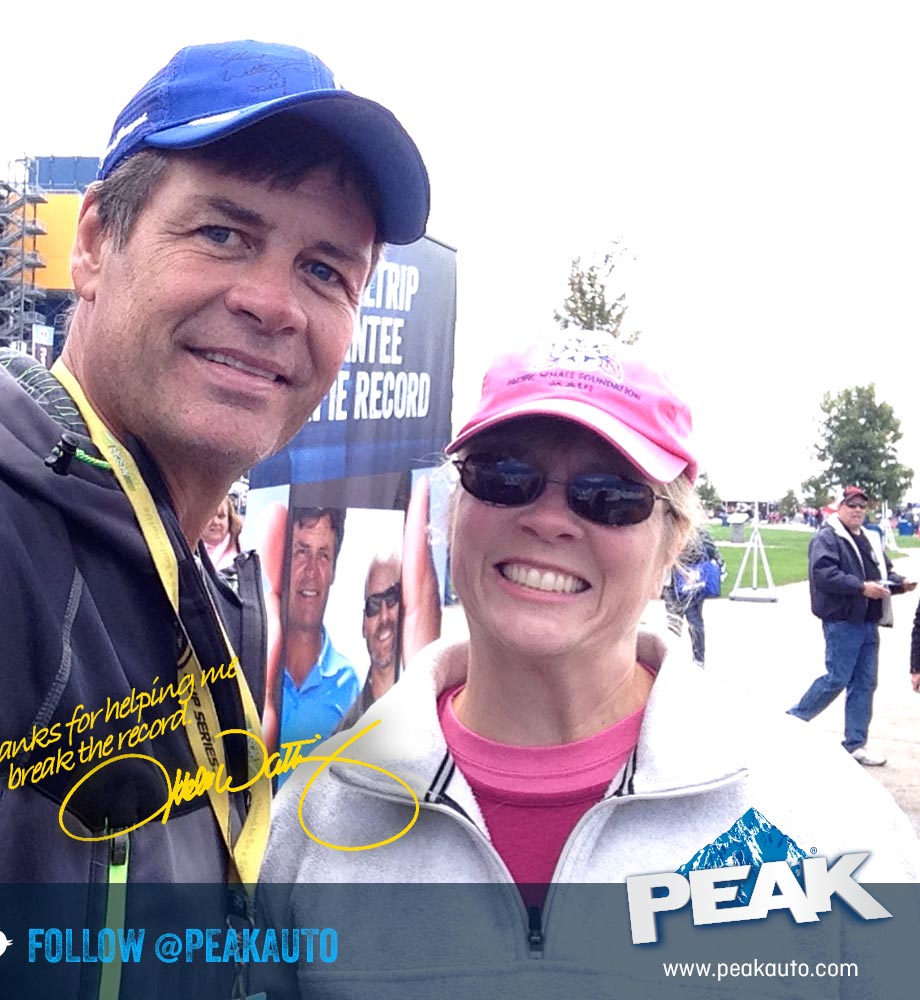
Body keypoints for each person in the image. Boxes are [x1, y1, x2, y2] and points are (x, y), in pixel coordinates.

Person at [0, 33, 428, 956]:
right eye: (223, 234)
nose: (275, 304)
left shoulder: (210, 597)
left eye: (325, 270)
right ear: (92, 246)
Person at [255, 335, 919, 999]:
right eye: (504, 474)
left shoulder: (821, 810)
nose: (549, 521)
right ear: (456, 508)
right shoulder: (319, 812)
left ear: (671, 546)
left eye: (610, 494)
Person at [788, 485, 916, 765]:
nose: (858, 510)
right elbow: (824, 574)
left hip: (869, 621)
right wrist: (861, 587)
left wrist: (900, 584)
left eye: (862, 506)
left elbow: (883, 572)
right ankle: (791, 722)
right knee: (837, 678)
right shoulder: (827, 537)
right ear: (840, 508)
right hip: (843, 621)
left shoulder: (870, 537)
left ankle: (855, 744)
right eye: (852, 505)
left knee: (865, 683)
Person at [279, 507, 359, 760]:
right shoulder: (254, 667)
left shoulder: (350, 685)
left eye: (323, 555)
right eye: (301, 552)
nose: (311, 572)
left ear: (334, 570)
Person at [339, 551, 403, 730]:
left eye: (392, 598)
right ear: (363, 625)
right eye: (373, 605)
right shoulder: (345, 735)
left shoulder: (435, 708)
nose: (384, 616)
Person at [662, 524, 723, 666]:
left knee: (677, 622)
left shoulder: (677, 528)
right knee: (693, 622)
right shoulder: (696, 528)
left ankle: (679, 658)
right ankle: (698, 659)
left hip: (679, 581)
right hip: (691, 581)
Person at [202, 494, 244, 575]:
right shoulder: (188, 550)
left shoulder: (242, 545)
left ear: (229, 518)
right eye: (209, 516)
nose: (215, 522)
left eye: (221, 516)